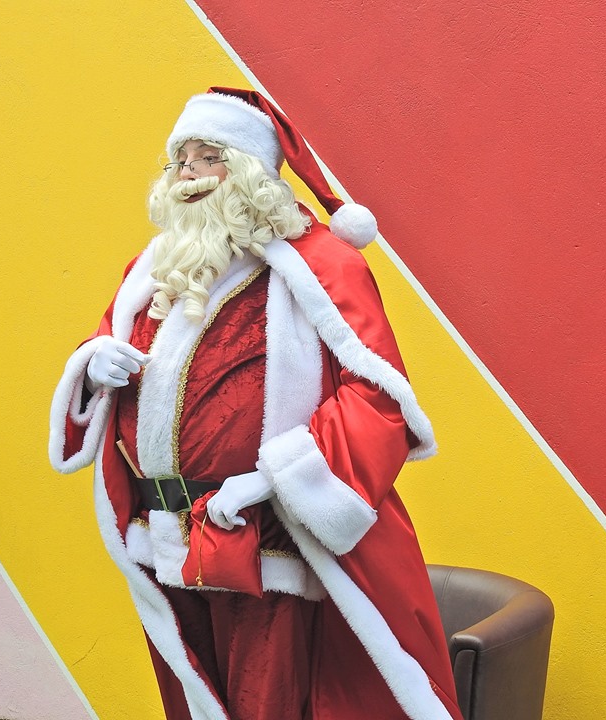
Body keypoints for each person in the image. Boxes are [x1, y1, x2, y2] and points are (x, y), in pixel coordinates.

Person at [49, 88, 462, 720]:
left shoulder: (321, 266)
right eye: (179, 160)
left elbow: (379, 397)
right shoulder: (156, 268)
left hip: (265, 535)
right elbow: (110, 345)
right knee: (194, 699)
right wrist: (93, 367)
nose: (187, 174)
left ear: (248, 171)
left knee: (267, 705)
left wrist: (276, 478)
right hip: (164, 532)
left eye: (207, 157)